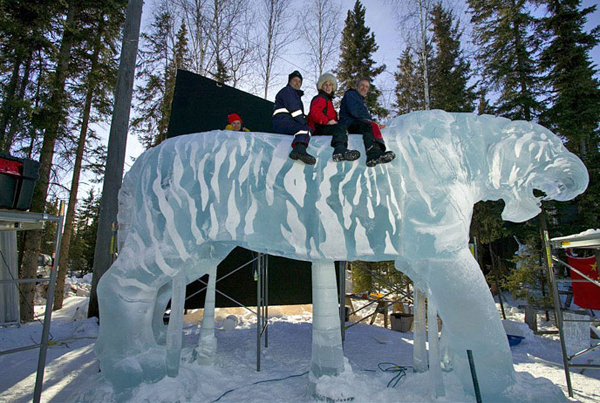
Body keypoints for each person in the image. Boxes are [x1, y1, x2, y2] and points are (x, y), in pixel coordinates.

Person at [339, 78, 395, 167]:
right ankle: (372, 154)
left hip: (356, 122)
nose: (364, 88)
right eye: (362, 85)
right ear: (357, 86)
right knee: (368, 126)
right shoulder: (351, 94)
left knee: (371, 126)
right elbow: (354, 111)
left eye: (366, 87)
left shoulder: (361, 100)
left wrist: (374, 124)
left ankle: (378, 152)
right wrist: (370, 122)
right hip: (348, 123)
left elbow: (364, 116)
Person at [307, 72, 360, 162]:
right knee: (339, 127)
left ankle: (340, 151)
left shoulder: (328, 101)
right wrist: (327, 121)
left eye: (330, 85)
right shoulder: (320, 98)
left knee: (341, 127)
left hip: (323, 126)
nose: (328, 87)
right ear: (321, 87)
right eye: (325, 85)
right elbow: (315, 112)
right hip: (317, 127)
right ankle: (340, 150)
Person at [272, 70, 316, 165]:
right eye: (295, 80)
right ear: (289, 81)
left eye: (299, 81)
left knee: (305, 129)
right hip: (282, 121)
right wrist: (305, 125)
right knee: (305, 130)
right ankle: (299, 150)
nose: (297, 83)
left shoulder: (295, 96)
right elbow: (295, 111)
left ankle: (298, 149)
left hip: (285, 122)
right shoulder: (288, 91)